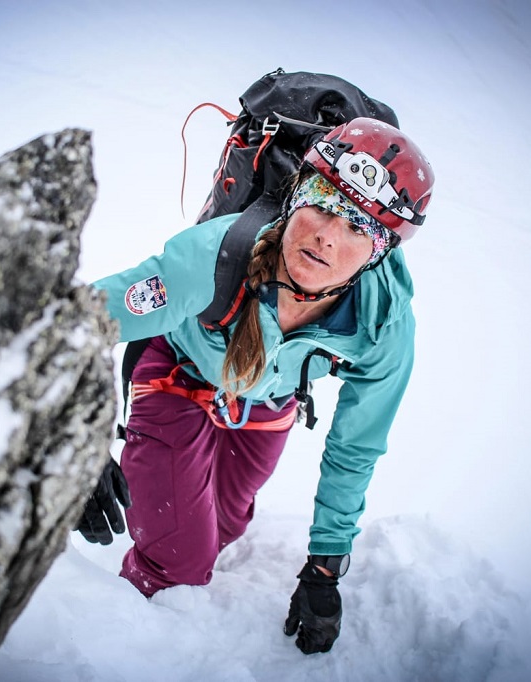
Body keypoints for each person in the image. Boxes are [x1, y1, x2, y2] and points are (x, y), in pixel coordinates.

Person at [77, 116, 434, 654]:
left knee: (224, 528)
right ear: (295, 196)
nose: (326, 237)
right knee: (179, 559)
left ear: (381, 252)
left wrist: (325, 568)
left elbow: (354, 448)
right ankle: (115, 645)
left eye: (359, 228)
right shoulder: (212, 258)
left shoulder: (383, 323)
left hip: (268, 403)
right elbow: (75, 322)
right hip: (179, 376)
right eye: (322, 203)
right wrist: (75, 444)